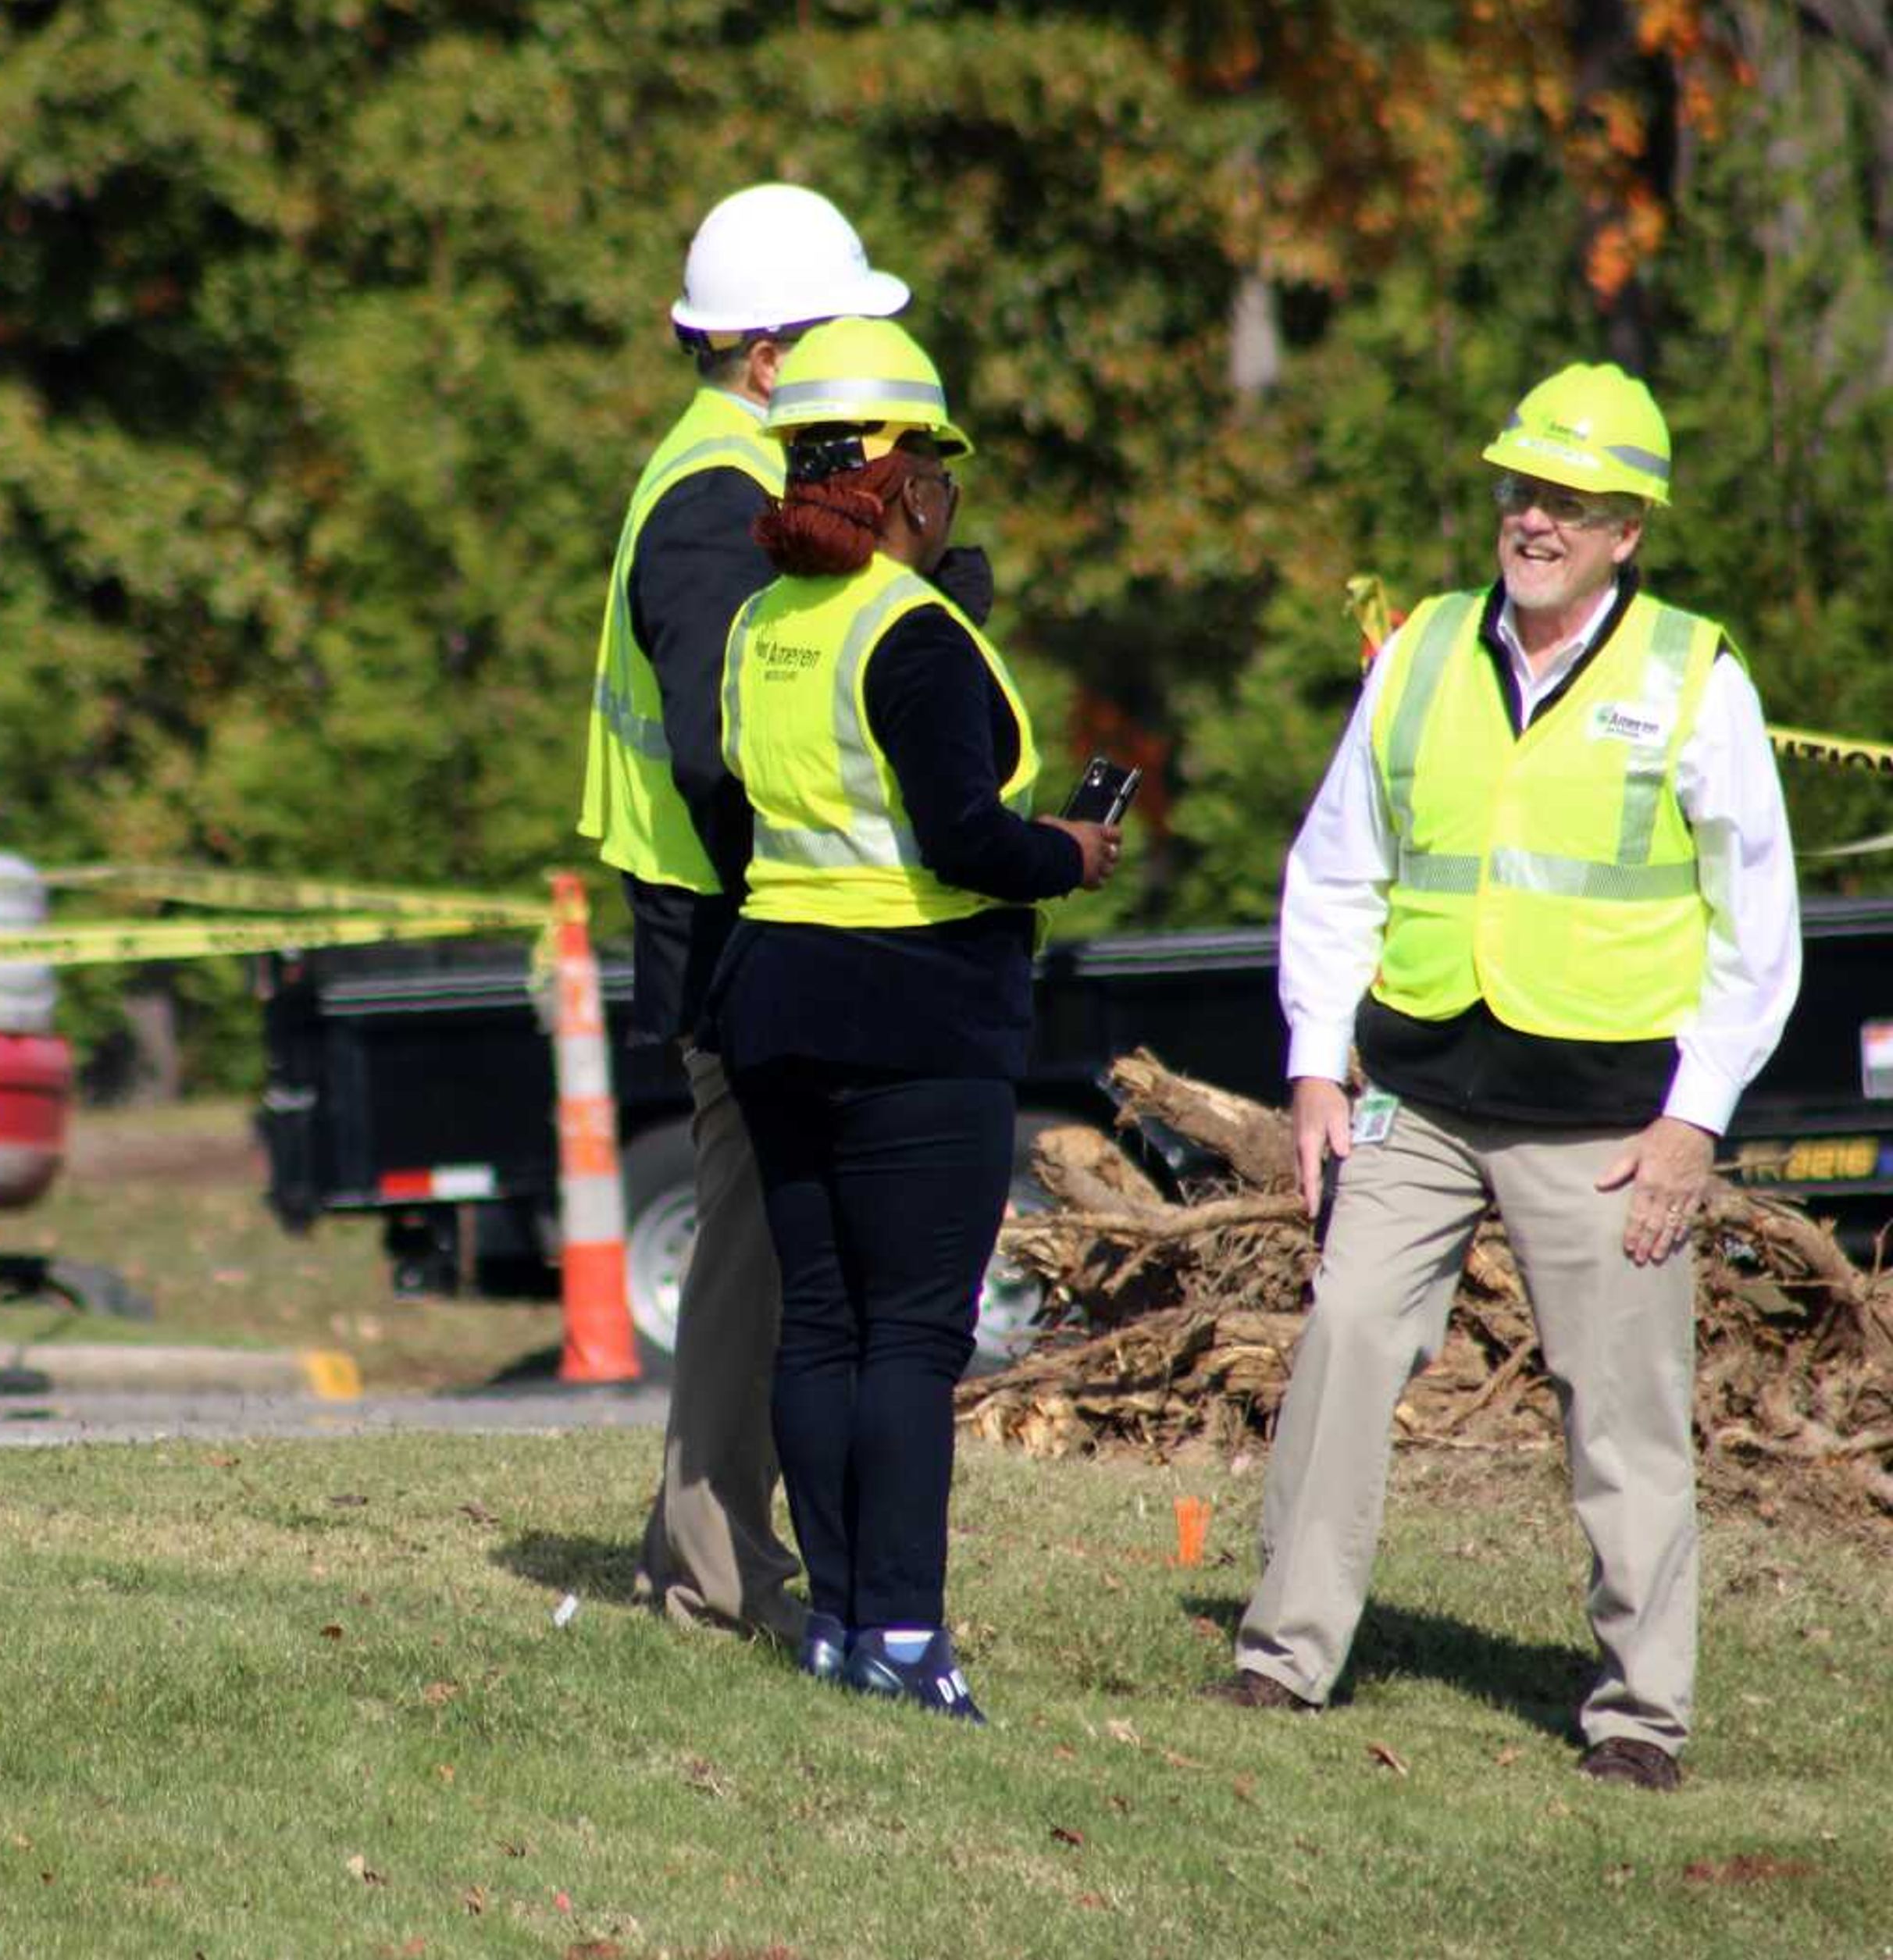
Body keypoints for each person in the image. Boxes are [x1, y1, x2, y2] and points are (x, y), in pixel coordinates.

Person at [1211, 363, 1802, 1793]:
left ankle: (1641, 1715)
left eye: (1570, 502)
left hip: (1606, 1128)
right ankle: (1283, 1654)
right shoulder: (1419, 653)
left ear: (1627, 532)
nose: (1533, 519)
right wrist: (1312, 1064)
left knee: (1624, 1412)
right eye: (1521, 492)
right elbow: (1337, 867)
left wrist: (1692, 1122)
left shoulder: (1691, 676)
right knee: (1346, 1338)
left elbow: (1758, 924)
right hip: (1421, 1095)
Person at [707, 316, 1119, 1716]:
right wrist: (1067, 852)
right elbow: (962, 840)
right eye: (940, 467)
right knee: (911, 1338)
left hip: (774, 997)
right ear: (905, 481)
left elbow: (737, 804)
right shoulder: (914, 633)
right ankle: (900, 1635)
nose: (953, 495)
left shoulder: (765, 622)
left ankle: (834, 1624)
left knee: (819, 1324)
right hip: (914, 1017)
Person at [578, 183, 916, 1648]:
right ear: (771, 355)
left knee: (760, 1244)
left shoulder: (720, 467)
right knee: (752, 1258)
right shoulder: (721, 497)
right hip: (733, 914)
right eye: (840, 337)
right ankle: (712, 1582)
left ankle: (700, 1553)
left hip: (722, 904)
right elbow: (727, 736)